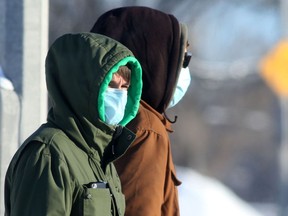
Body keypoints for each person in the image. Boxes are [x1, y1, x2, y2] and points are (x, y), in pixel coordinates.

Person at [4, 32, 142, 216]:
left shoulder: (100, 156)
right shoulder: (49, 155)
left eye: (125, 87)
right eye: (112, 86)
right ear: (83, 89)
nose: (120, 96)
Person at [91, 6, 192, 216]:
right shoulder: (145, 129)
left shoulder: (91, 117)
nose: (184, 70)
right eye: (183, 59)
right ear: (155, 59)